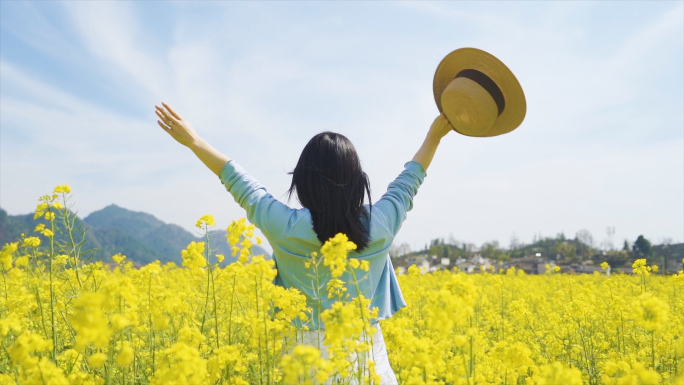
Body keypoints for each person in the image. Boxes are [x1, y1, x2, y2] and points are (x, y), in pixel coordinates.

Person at [155, 102, 453, 383]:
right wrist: (433, 137)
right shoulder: (381, 223)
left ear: (302, 182)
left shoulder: (283, 226)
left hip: (302, 356)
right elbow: (409, 181)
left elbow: (239, 181)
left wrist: (194, 140)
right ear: (357, 182)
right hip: (365, 355)